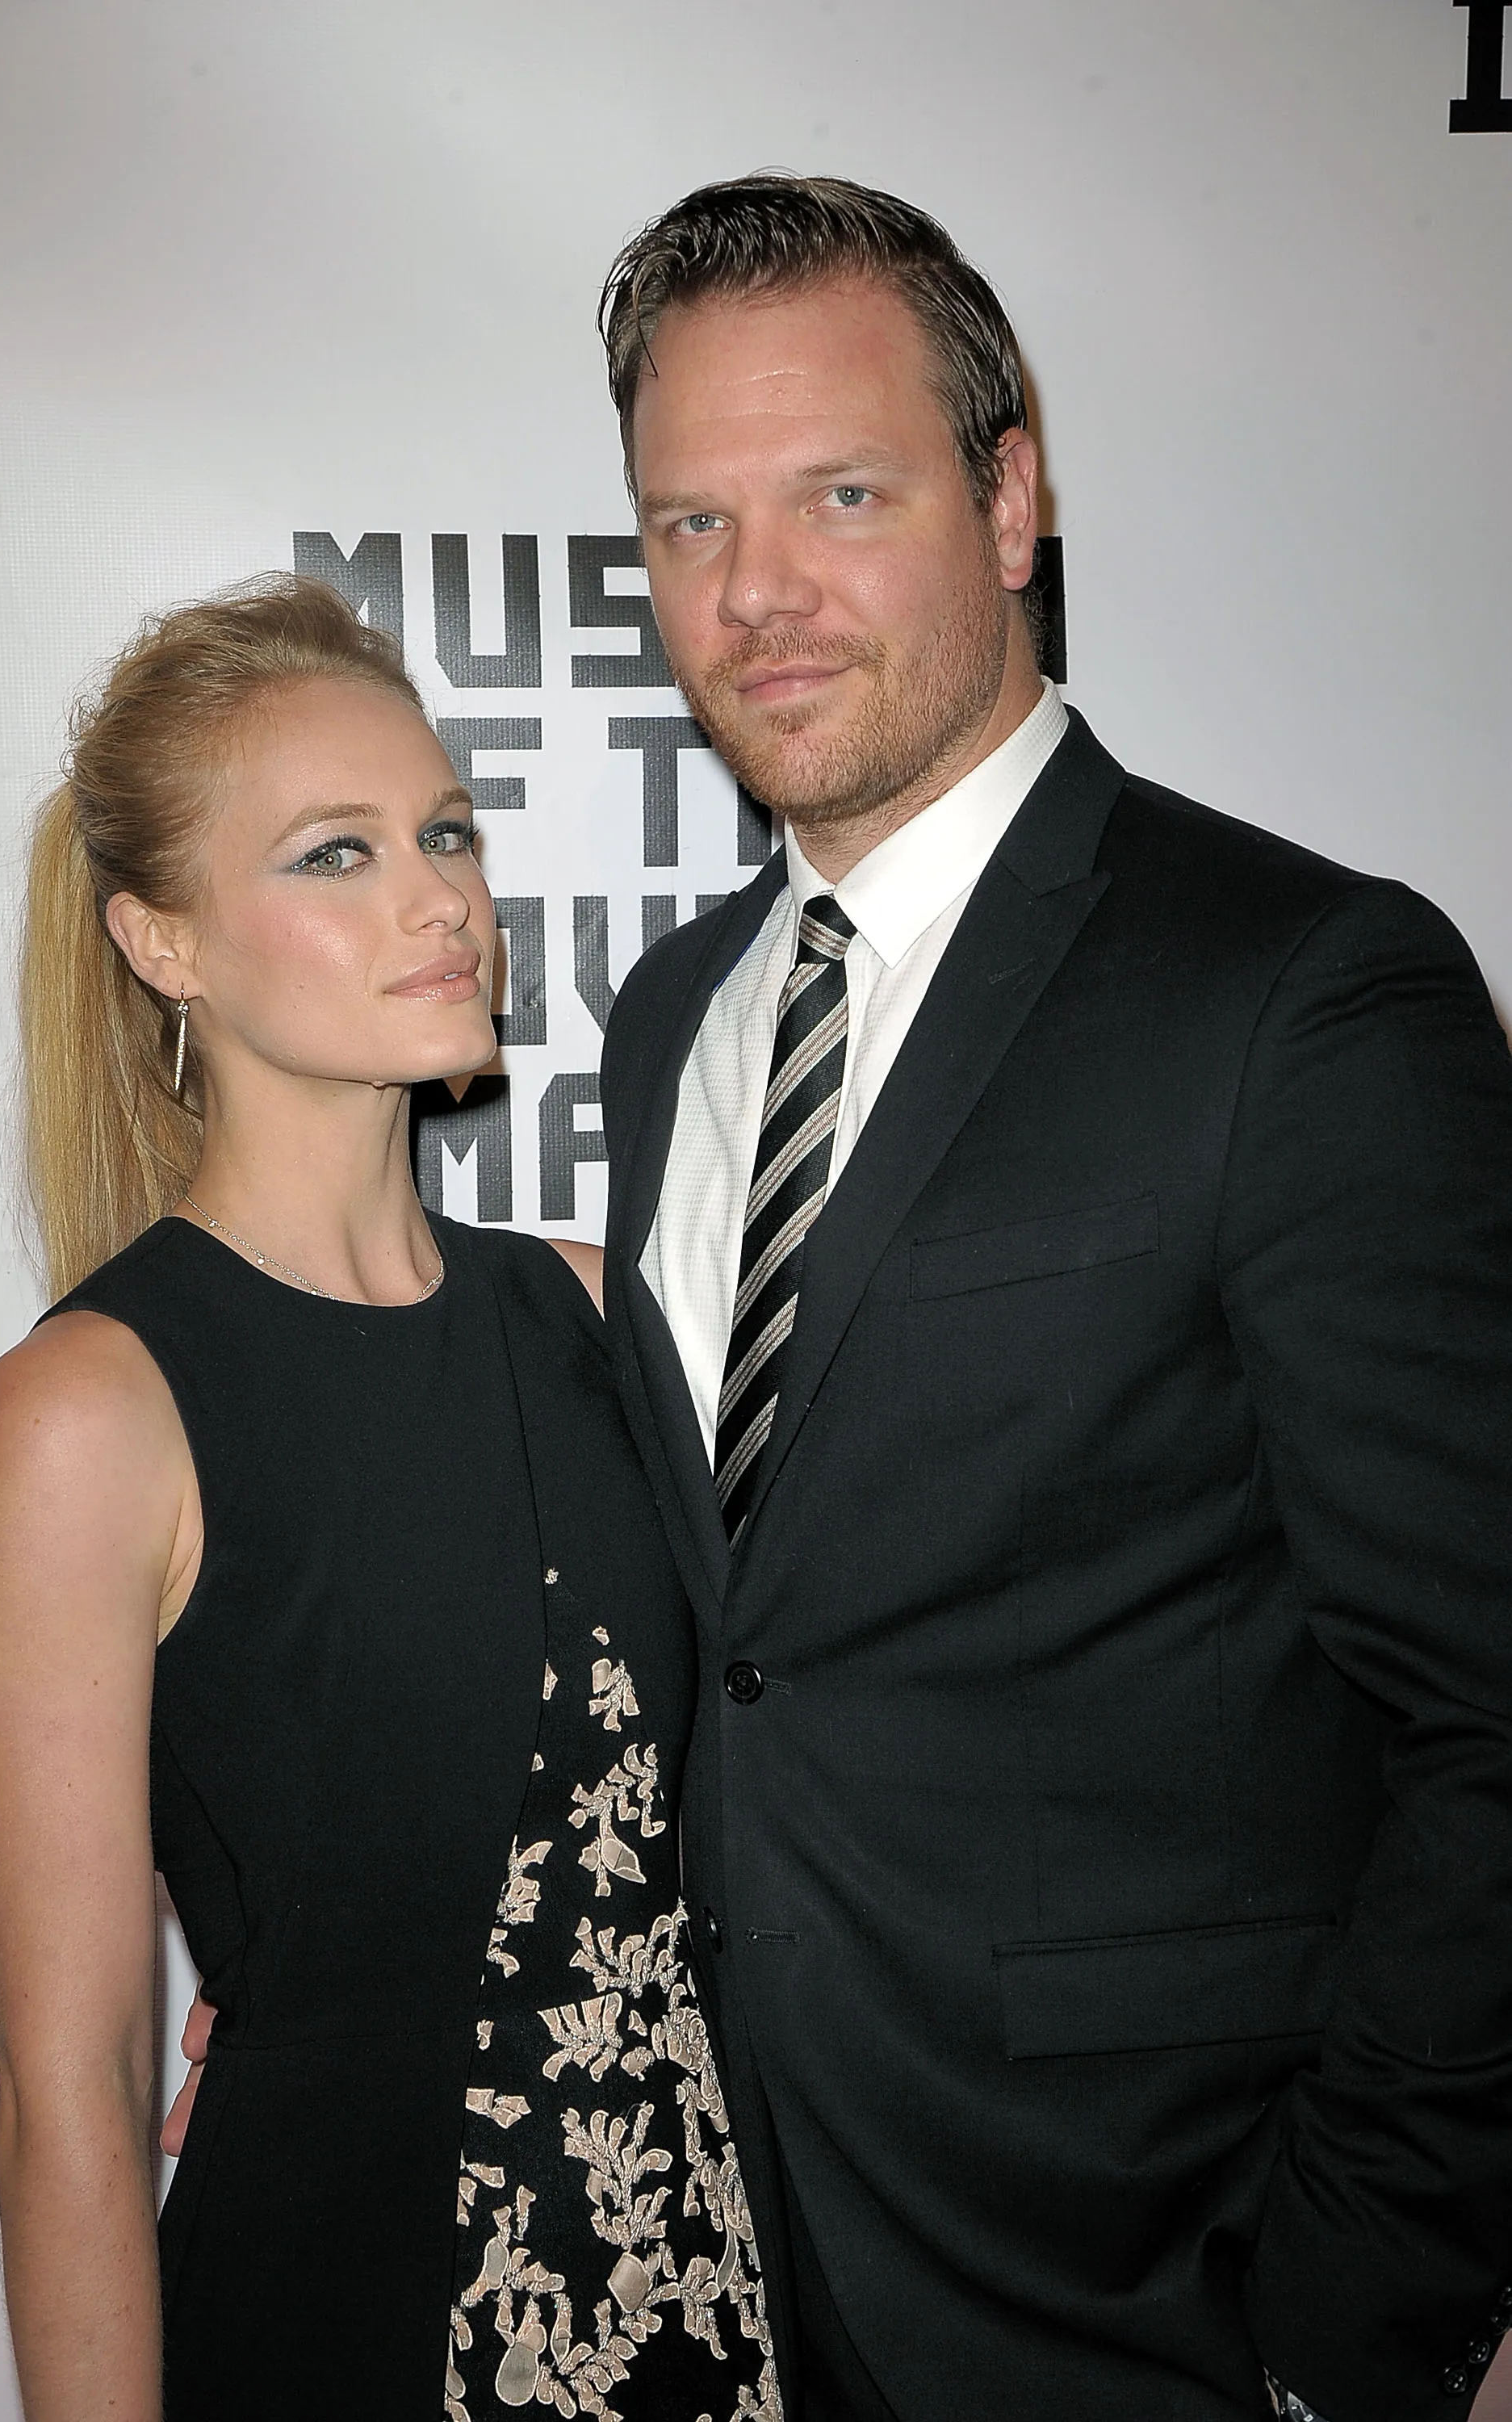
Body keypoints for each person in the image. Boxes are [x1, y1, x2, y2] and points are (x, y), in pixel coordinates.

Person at [592, 174, 1512, 2422]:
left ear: (1012, 500)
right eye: (687, 523)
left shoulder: (1298, 991)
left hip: (1150, 2294)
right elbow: (752, 1645)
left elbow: (1491, 1713)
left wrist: (1345, 2320)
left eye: (838, 493)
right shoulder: (668, 1020)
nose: (757, 596)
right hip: (724, 2283)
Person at [0, 577, 779, 2422]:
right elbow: (67, 2104)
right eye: (336, 853)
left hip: (709, 2306)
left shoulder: (588, 1308)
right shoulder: (85, 1418)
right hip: (348, 2313)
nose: (438, 897)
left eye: (444, 833)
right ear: (163, 944)